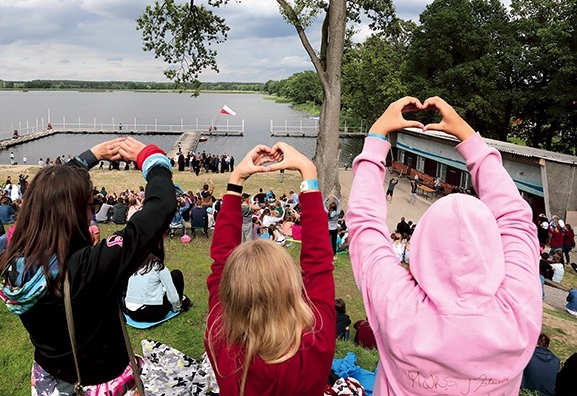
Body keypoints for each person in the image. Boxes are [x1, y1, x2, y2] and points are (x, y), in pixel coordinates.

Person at [347, 97, 542, 395]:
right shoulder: (518, 308)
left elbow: (365, 226)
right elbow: (516, 220)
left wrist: (376, 137)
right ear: (493, 248)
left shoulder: (397, 305)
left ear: (421, 248)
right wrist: (471, 141)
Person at [0, 137, 176, 395]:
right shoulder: (88, 268)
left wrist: (91, 155)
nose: (93, 211)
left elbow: (51, 190)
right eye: (92, 204)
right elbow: (160, 209)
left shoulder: (9, 256)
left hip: (49, 375)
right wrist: (152, 158)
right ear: (74, 212)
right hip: (98, 379)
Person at [205, 143, 335, 395]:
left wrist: (236, 179)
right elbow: (318, 264)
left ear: (229, 293)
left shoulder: (220, 338)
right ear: (290, 286)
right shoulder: (316, 339)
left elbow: (221, 262)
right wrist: (308, 171)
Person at [124, 252, 191, 323]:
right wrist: (176, 308)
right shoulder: (159, 267)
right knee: (176, 274)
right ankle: (182, 301)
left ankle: (183, 299)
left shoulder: (135, 263)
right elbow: (172, 295)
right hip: (151, 314)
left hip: (132, 313)